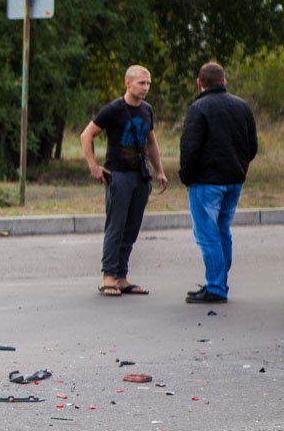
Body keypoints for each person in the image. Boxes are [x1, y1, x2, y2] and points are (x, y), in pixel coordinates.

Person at [79, 65, 169, 296]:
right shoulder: (113, 109)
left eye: (148, 83)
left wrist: (159, 171)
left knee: (131, 229)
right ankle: (108, 275)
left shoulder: (147, 110)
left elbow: (151, 142)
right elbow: (86, 135)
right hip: (118, 175)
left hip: (141, 176)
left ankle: (121, 277)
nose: (146, 87)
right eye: (141, 83)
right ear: (127, 83)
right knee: (116, 227)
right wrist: (93, 167)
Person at [178, 62, 258, 304]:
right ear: (224, 81)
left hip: (206, 182)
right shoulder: (242, 106)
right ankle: (219, 282)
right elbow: (252, 146)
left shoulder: (198, 108)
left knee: (207, 235)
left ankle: (216, 287)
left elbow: (190, 148)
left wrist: (187, 176)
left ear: (199, 83)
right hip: (234, 179)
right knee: (223, 231)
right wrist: (240, 166)